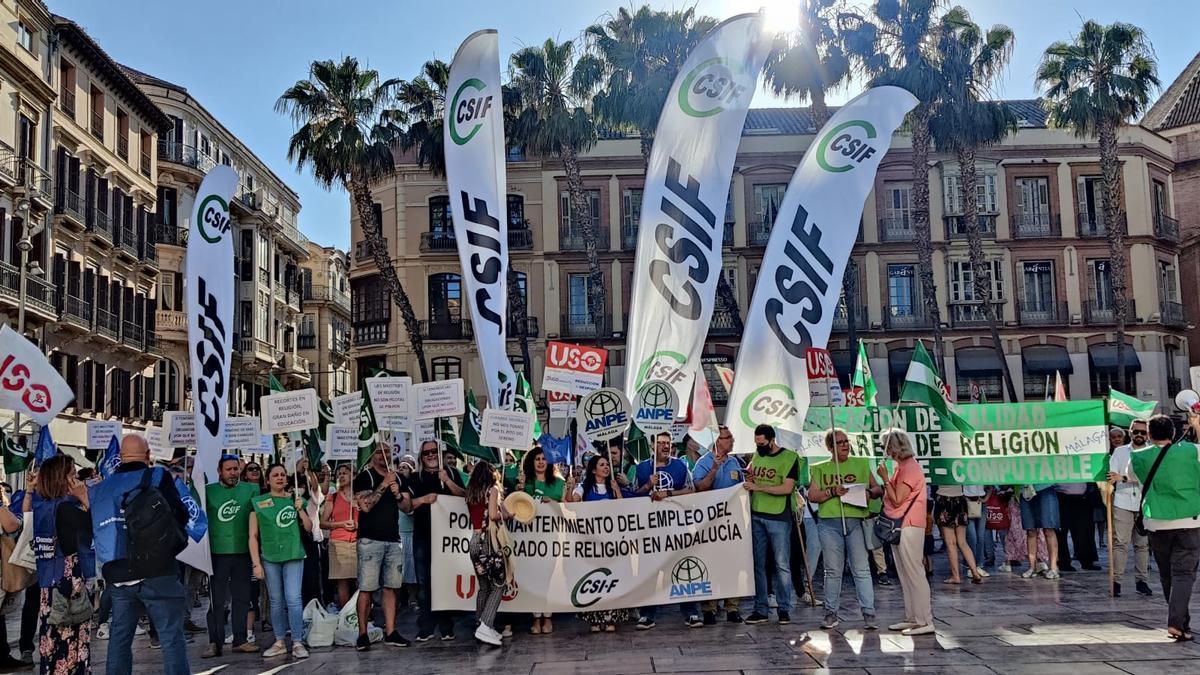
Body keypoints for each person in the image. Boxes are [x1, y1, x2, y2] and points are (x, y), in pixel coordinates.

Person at [89, 434, 191, 675]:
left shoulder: (102, 487)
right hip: (158, 570)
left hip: (119, 573)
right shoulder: (157, 476)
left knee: (120, 638)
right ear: (147, 456)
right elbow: (180, 513)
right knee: (171, 639)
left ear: (120, 458)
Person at [1132, 414, 1200, 641]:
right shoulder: (1192, 451)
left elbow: (1133, 476)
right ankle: (1176, 623)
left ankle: (1182, 625)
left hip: (1156, 522)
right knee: (1183, 574)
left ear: (1149, 435)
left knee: (1167, 575)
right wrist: (1197, 427)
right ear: (1172, 432)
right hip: (1189, 520)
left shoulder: (1138, 456)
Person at [808, 427, 882, 630]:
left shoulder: (861, 463)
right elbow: (812, 495)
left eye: (846, 441)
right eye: (839, 443)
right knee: (832, 570)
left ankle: (869, 612)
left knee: (861, 568)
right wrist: (832, 491)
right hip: (829, 522)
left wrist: (869, 493)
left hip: (855, 520)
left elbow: (877, 488)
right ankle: (831, 613)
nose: (844, 445)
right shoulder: (819, 468)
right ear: (830, 447)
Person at [29, 455, 95, 674]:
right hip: (68, 584)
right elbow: (93, 527)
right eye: (72, 474)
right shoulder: (66, 508)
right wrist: (84, 497)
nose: (76, 479)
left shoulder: (43, 507)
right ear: (62, 479)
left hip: (48, 582)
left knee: (52, 643)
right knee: (71, 645)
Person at [631, 431, 696, 629]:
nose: (665, 446)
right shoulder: (641, 468)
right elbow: (634, 495)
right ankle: (648, 613)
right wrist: (648, 485)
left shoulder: (680, 466)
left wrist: (668, 493)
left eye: (668, 443)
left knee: (683, 568)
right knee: (649, 571)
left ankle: (691, 611)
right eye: (661, 443)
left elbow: (691, 490)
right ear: (652, 446)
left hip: (675, 527)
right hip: (650, 530)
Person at [249, 464, 313, 659]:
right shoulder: (258, 502)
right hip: (269, 557)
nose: (279, 478)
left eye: (283, 475)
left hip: (293, 554)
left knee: (293, 600)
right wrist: (256, 563)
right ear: (267, 480)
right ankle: (279, 641)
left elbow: (309, 528)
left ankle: (297, 641)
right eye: (275, 475)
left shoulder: (297, 499)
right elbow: (253, 536)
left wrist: (301, 510)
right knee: (276, 601)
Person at [352, 444, 412, 650]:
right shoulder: (364, 477)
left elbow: (408, 507)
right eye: (379, 452)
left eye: (387, 452)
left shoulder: (399, 477)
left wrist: (397, 494)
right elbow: (365, 506)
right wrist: (384, 485)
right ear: (372, 456)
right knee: (367, 588)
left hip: (393, 540)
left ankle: (391, 631)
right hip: (370, 541)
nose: (384, 455)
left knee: (392, 587)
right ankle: (362, 634)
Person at [406, 439, 466, 643]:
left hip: (448, 538)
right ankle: (426, 625)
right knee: (424, 584)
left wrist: (447, 481)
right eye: (426, 453)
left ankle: (446, 625)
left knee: (446, 581)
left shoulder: (453, 473)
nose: (431, 455)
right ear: (421, 458)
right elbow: (407, 506)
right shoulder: (415, 478)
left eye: (434, 452)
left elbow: (466, 497)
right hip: (423, 535)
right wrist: (424, 499)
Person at [202, 455, 261, 658]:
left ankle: (240, 639)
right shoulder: (207, 491)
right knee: (216, 600)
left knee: (242, 598)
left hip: (243, 553)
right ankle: (214, 641)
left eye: (236, 469)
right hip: (216, 554)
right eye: (228, 469)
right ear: (219, 471)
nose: (233, 473)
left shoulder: (251, 489)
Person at [743, 424, 801, 627]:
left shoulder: (790, 458)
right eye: (756, 443)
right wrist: (749, 478)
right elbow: (752, 474)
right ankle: (761, 608)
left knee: (782, 564)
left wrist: (757, 486)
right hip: (758, 512)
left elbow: (786, 488)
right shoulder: (758, 455)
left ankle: (784, 608)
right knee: (759, 565)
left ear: (772, 440)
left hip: (778, 516)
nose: (759, 446)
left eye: (762, 443)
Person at [877, 429, 933, 636]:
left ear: (894, 447)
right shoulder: (902, 467)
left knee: (914, 572)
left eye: (886, 447)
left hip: (909, 524)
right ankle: (913, 617)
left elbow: (898, 498)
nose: (885, 451)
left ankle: (925, 620)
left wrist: (884, 478)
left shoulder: (910, 468)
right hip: (901, 524)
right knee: (905, 573)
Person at [566, 454, 631, 632]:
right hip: (592, 545)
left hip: (611, 545)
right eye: (602, 465)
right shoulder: (583, 488)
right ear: (594, 469)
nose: (606, 467)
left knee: (611, 578)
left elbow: (622, 508)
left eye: (607, 465)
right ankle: (595, 618)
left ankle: (611, 618)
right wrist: (569, 489)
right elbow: (571, 504)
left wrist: (617, 489)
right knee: (594, 578)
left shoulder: (611, 487)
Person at [691, 425, 745, 625]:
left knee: (733, 564)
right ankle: (709, 609)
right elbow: (700, 487)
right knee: (711, 565)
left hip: (732, 524)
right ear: (718, 441)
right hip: (710, 524)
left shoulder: (735, 462)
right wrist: (714, 469)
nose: (732, 440)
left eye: (731, 437)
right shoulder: (703, 463)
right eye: (728, 438)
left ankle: (732, 607)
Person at [516, 445, 571, 634]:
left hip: (551, 538)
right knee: (533, 577)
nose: (540, 462)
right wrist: (521, 490)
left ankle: (547, 617)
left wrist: (553, 503)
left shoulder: (558, 483)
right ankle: (535, 617)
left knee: (548, 577)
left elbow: (567, 510)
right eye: (537, 459)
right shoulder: (526, 482)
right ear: (531, 462)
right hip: (529, 540)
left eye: (543, 458)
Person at [465, 462, 511, 646]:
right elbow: (492, 515)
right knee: (499, 584)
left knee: (484, 586)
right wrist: (506, 515)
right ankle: (486, 624)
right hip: (488, 543)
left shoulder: (470, 492)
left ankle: (482, 625)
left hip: (474, 541)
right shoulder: (492, 490)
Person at [1108, 420, 1153, 597]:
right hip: (1123, 502)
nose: (1139, 435)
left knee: (1142, 545)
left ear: (1148, 434)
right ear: (1131, 432)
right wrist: (1127, 478)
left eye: (1143, 432)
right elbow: (1112, 475)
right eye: (1136, 432)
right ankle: (1116, 581)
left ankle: (1142, 581)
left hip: (1144, 503)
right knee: (1121, 543)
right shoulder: (1120, 451)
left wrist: (1125, 478)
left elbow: (1149, 476)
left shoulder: (1152, 452)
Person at [320, 464, 358, 609]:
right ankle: (345, 615)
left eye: (345, 473)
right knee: (342, 582)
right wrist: (341, 524)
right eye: (339, 474)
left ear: (353, 476)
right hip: (338, 543)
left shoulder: (360, 496)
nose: (341, 476)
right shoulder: (333, 497)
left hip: (358, 542)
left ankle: (362, 614)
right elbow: (323, 523)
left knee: (361, 582)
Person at [934, 484, 985, 585]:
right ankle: (975, 572)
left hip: (944, 498)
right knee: (962, 542)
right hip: (960, 499)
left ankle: (955, 576)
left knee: (950, 543)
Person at [1054, 480, 1100, 572]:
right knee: (1061, 531)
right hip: (1060, 495)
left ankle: (1087, 561)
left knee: (1084, 530)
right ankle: (1063, 562)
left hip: (1083, 495)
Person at [1019, 484, 1061, 579]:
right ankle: (1032, 567)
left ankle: (1053, 568)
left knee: (1048, 529)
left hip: (1045, 487)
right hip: (1026, 489)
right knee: (1030, 530)